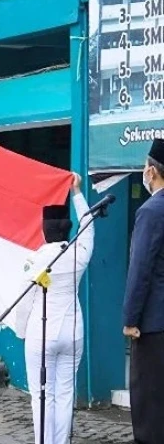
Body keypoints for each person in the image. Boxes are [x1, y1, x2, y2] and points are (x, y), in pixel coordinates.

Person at [15, 173, 93, 444]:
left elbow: (25, 301)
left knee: (41, 395)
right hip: (73, 331)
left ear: (44, 229)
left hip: (41, 332)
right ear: (67, 229)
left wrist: (21, 331)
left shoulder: (34, 260)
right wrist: (77, 193)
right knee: (65, 393)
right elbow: (89, 226)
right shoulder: (78, 254)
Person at [123, 139, 164, 443]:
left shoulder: (151, 211)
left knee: (149, 407)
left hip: (153, 325)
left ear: (152, 171)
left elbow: (140, 270)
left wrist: (130, 318)